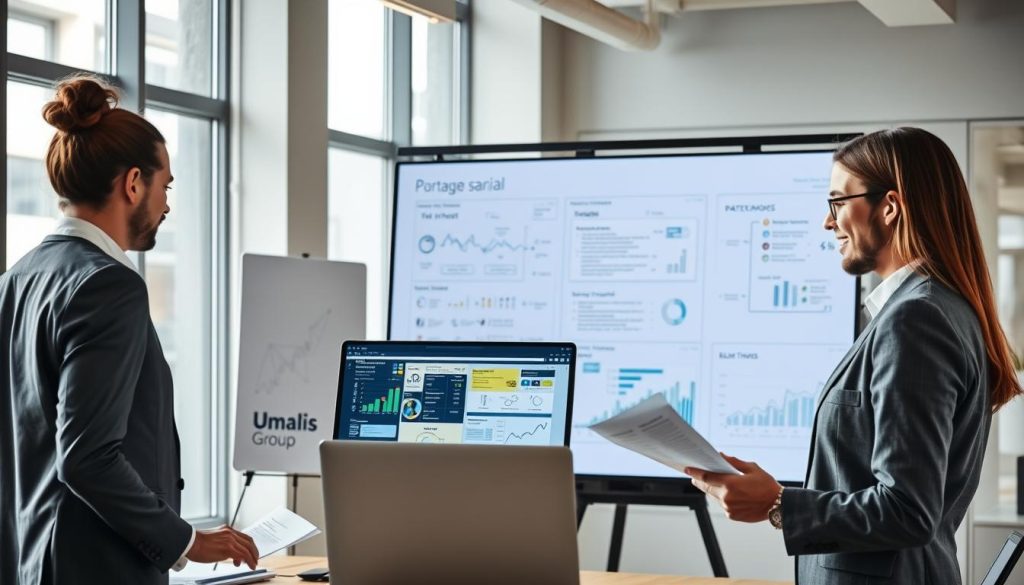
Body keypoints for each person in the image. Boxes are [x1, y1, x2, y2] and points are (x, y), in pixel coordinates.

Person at [685, 127, 1022, 584]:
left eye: (838, 202)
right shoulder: (932, 309)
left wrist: (779, 504)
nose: (828, 222)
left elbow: (907, 510)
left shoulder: (917, 320)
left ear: (889, 207)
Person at [0, 76, 258, 585]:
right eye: (166, 187)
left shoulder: (15, 280)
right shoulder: (109, 285)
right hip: (94, 569)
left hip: (30, 562)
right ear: (133, 183)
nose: (166, 205)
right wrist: (186, 540)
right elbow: (87, 457)